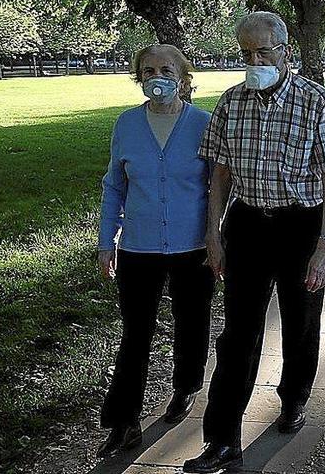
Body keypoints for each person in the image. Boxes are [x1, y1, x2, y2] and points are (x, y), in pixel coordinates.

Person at [182, 12, 325, 473]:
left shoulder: (317, 101)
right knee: (238, 334)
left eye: (263, 51)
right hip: (247, 225)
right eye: (245, 53)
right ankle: (221, 441)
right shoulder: (231, 101)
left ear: (285, 51)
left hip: (301, 225)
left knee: (301, 323)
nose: (253, 60)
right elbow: (218, 172)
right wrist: (213, 233)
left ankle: (294, 398)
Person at [95, 44, 216, 457]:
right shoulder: (126, 125)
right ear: (139, 78)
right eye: (147, 70)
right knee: (135, 333)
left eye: (166, 69)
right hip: (138, 247)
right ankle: (124, 420)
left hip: (193, 246)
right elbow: (115, 186)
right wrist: (105, 241)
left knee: (192, 321)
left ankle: (186, 386)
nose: (157, 77)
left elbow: (221, 187)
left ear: (184, 76)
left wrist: (218, 240)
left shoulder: (203, 123)